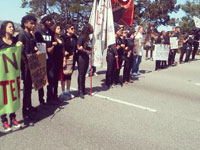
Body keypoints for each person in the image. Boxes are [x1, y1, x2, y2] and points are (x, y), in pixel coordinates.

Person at [0, 21, 21, 132]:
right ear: (4, 29)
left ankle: (13, 118)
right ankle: (4, 120)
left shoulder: (14, 41)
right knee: (3, 96)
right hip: (2, 75)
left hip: (13, 74)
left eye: (13, 27)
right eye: (10, 27)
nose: (12, 28)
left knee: (12, 94)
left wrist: (19, 47)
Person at [35, 14, 59, 105]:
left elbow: (53, 43)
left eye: (50, 20)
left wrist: (52, 46)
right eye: (48, 20)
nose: (49, 22)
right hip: (41, 59)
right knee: (41, 81)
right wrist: (47, 49)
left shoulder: (51, 32)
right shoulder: (38, 32)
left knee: (51, 79)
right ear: (43, 21)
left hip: (50, 59)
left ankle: (50, 98)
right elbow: (38, 46)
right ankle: (41, 100)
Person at [18, 15, 38, 123]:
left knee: (30, 87)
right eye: (31, 23)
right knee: (26, 89)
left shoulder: (32, 35)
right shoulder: (22, 34)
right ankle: (25, 112)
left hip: (32, 64)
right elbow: (20, 51)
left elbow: (33, 47)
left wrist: (36, 50)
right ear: (25, 23)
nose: (33, 25)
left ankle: (29, 106)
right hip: (26, 66)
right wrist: (26, 63)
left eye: (34, 23)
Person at [61, 23, 78, 99]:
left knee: (69, 75)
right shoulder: (63, 37)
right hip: (65, 58)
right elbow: (61, 48)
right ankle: (63, 92)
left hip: (72, 58)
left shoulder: (74, 37)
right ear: (67, 29)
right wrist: (64, 54)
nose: (73, 30)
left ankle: (68, 91)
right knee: (64, 76)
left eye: (73, 28)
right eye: (72, 28)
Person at [77, 23, 93, 99]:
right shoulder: (82, 36)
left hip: (86, 57)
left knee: (83, 74)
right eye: (91, 28)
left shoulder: (88, 37)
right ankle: (80, 90)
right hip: (81, 57)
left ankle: (83, 88)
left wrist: (91, 50)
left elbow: (88, 46)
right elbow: (78, 46)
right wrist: (86, 51)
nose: (92, 29)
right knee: (81, 73)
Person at [51, 24, 64, 101]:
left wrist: (64, 59)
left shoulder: (61, 38)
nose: (59, 30)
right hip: (53, 60)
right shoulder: (52, 38)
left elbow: (63, 49)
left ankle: (55, 95)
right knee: (52, 79)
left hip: (59, 60)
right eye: (58, 28)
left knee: (56, 79)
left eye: (60, 28)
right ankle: (51, 96)